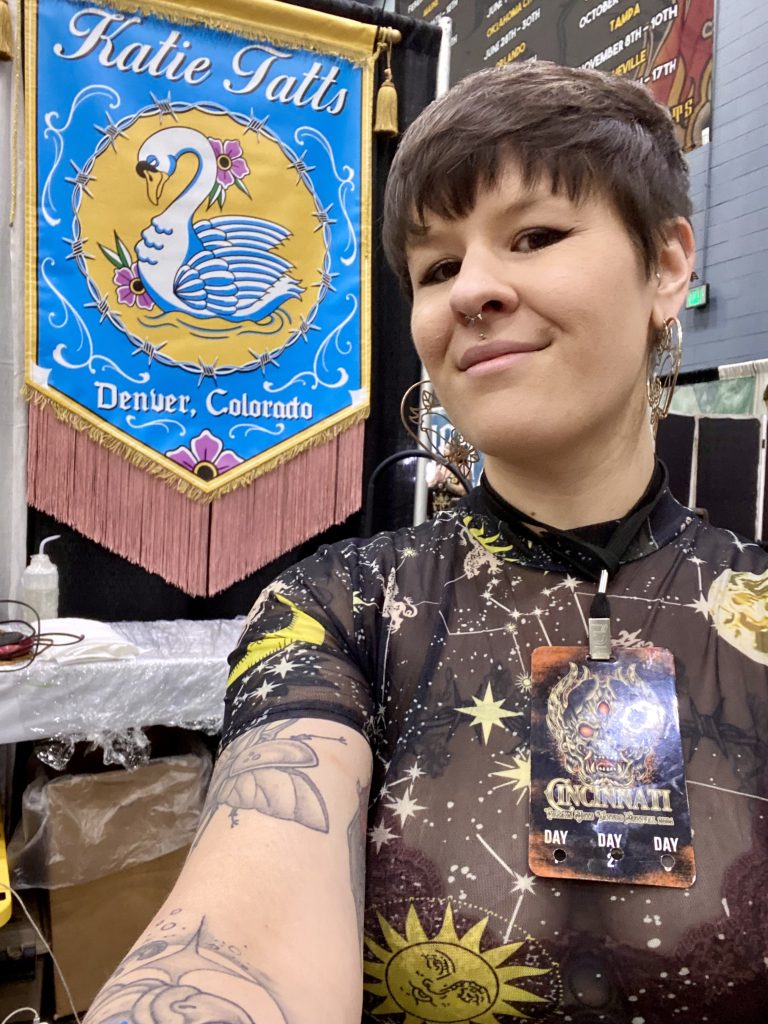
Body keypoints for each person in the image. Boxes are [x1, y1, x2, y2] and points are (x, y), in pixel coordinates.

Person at [85, 63, 768, 1024]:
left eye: (535, 237)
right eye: (437, 268)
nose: (473, 291)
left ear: (665, 266)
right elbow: (233, 946)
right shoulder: (336, 615)